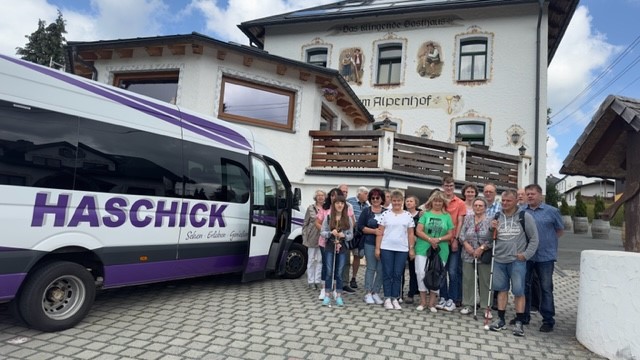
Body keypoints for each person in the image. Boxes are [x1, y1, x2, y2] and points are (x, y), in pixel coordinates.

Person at [488, 189, 539, 337]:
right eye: (503, 200)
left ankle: (519, 322)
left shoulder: (524, 216)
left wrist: (526, 255)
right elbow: (490, 237)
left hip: (517, 261)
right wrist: (492, 229)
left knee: (518, 291)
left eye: (508, 201)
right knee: (501, 290)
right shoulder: (497, 216)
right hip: (499, 259)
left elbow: (534, 239)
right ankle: (501, 319)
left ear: (516, 201)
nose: (504, 203)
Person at [520, 183, 564, 332]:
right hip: (526, 256)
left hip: (545, 256)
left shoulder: (552, 211)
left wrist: (547, 242)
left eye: (533, 193)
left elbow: (559, 230)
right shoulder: (521, 211)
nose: (530, 196)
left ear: (540, 195)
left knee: (546, 288)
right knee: (524, 286)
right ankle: (523, 316)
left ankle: (548, 320)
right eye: (528, 194)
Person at [375, 190, 416, 310]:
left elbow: (410, 234)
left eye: (399, 201)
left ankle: (395, 297)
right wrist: (378, 248)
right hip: (386, 248)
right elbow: (380, 233)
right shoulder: (385, 214)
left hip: (402, 249)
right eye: (394, 201)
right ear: (391, 201)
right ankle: (387, 297)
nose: (396, 203)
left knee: (398, 274)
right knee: (387, 273)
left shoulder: (407, 216)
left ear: (402, 201)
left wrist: (411, 249)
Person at [415, 190, 454, 312]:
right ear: (431, 202)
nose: (437, 203)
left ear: (443, 203)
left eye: (440, 201)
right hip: (423, 248)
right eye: (435, 201)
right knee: (421, 272)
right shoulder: (425, 215)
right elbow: (418, 230)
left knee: (436, 274)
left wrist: (439, 239)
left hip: (440, 250)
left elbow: (450, 234)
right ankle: (422, 302)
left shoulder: (447, 216)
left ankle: (432, 303)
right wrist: (430, 239)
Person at [458, 197, 492, 315]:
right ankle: (468, 304)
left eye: (480, 206)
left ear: (485, 208)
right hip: (468, 254)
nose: (478, 208)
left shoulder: (490, 220)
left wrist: (481, 248)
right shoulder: (468, 219)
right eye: (476, 205)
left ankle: (485, 307)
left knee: (485, 281)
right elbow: (462, 234)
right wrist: (467, 245)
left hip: (483, 255)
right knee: (468, 280)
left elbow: (493, 238)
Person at [315, 187, 350, 300]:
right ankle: (326, 292)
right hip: (328, 245)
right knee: (328, 269)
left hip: (342, 246)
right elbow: (322, 230)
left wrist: (343, 235)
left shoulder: (347, 218)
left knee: (339, 271)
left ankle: (337, 293)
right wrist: (331, 233)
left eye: (341, 203)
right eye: (337, 202)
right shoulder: (328, 215)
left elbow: (350, 234)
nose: (339, 205)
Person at [439, 176, 467, 310]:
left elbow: (460, 222)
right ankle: (443, 297)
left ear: (454, 187)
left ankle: (452, 298)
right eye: (446, 185)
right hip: (441, 241)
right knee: (442, 270)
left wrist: (456, 239)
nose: (449, 188)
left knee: (453, 271)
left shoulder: (460, 203)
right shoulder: (439, 201)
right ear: (443, 186)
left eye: (451, 186)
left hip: (453, 240)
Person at [359, 188, 387, 305]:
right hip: (369, 243)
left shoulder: (386, 212)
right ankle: (368, 293)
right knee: (371, 268)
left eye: (377, 198)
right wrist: (374, 231)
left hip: (384, 244)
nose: (375, 200)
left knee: (381, 270)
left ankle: (376, 292)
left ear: (382, 199)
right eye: (373, 198)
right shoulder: (366, 211)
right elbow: (360, 226)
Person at [302, 189, 326, 289]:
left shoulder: (327, 208)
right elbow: (305, 223)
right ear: (315, 197)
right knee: (311, 259)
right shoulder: (310, 208)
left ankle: (317, 280)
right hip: (312, 236)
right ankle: (311, 281)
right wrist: (305, 236)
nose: (320, 197)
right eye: (318, 195)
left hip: (323, 237)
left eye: (322, 195)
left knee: (320, 260)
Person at [347, 186, 369, 289]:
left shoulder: (367, 205)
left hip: (359, 235)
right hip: (347, 233)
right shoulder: (349, 201)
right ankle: (343, 279)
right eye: (366, 194)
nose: (367, 196)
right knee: (345, 256)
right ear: (359, 194)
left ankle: (354, 278)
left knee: (356, 256)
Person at [337, 183, 357, 293]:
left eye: (346, 192)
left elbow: (353, 222)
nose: (345, 194)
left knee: (346, 262)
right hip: (333, 238)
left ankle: (344, 283)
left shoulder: (349, 205)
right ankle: (332, 284)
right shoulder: (332, 204)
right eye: (343, 191)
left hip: (345, 238)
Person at [401, 195, 420, 304]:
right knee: (401, 270)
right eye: (407, 201)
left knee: (413, 271)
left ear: (415, 203)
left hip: (415, 245)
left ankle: (411, 293)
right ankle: (400, 293)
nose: (408, 203)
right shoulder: (402, 214)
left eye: (411, 201)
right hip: (403, 245)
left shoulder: (420, 215)